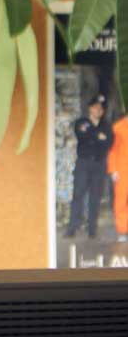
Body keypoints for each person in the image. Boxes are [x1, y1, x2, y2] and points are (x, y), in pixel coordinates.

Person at [64, 94, 114, 239]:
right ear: (90, 108)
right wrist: (99, 136)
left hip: (99, 165)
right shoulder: (81, 122)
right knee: (78, 195)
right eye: (95, 107)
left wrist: (94, 135)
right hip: (84, 164)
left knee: (95, 197)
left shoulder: (106, 126)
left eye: (101, 109)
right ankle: (72, 227)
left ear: (102, 112)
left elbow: (108, 143)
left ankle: (92, 230)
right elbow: (82, 135)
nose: (98, 110)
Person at [108, 114, 128, 242]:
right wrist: (113, 169)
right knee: (121, 200)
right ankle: (122, 230)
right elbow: (112, 150)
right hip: (122, 170)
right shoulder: (117, 127)